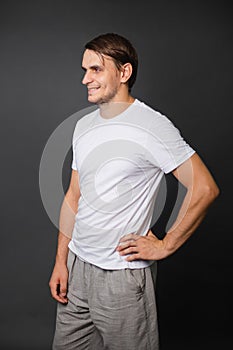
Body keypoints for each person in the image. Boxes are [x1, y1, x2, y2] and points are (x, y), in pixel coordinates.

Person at [49, 33, 219, 350]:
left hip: (122, 280)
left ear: (124, 73)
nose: (86, 79)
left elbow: (205, 188)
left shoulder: (152, 126)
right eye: (85, 70)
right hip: (77, 268)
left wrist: (166, 245)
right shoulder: (83, 126)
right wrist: (61, 261)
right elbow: (73, 197)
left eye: (96, 69)